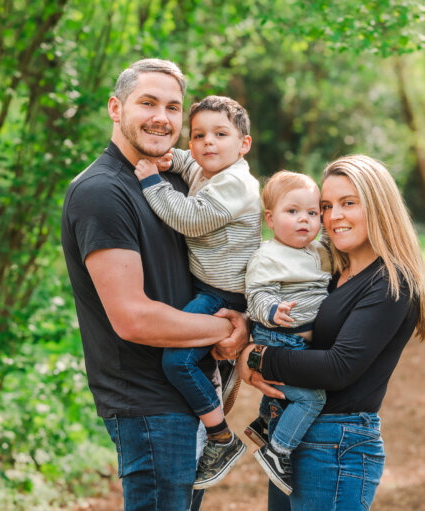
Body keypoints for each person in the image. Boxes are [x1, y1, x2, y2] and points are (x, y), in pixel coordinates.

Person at [60, 59, 249, 511]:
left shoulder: (168, 180)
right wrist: (228, 332)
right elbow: (133, 318)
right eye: (147, 103)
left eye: (173, 107)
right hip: (148, 404)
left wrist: (241, 322)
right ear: (115, 107)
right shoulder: (102, 192)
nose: (161, 117)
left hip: (186, 394)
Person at [237, 154, 425, 510]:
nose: (333, 217)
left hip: (337, 444)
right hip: (296, 435)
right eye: (326, 206)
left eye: (348, 203)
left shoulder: (391, 283)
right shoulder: (329, 272)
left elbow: (337, 368)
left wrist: (258, 357)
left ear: (378, 207)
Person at [132, 95, 261, 489]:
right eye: (199, 135)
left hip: (224, 295)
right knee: (188, 362)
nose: (208, 143)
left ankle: (221, 436)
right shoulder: (212, 169)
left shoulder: (236, 184)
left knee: (177, 362)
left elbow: (189, 217)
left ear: (244, 144)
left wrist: (152, 180)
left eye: (221, 134)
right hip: (210, 284)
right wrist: (177, 161)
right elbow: (194, 169)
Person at [243, 171, 331, 495]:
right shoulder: (269, 255)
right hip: (279, 337)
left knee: (282, 396)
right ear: (270, 218)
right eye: (292, 212)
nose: (303, 220)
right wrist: (272, 310)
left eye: (312, 213)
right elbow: (256, 295)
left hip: (296, 341)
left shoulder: (318, 251)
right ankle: (277, 451)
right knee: (312, 399)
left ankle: (265, 425)